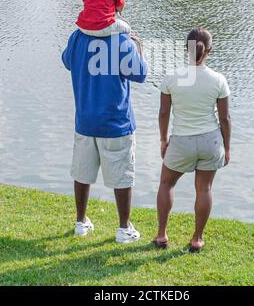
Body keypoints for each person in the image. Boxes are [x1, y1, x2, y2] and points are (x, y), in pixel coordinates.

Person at [62, 23, 147, 243]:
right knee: (122, 175)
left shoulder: (77, 37)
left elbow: (67, 61)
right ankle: (123, 228)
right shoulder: (121, 40)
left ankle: (81, 222)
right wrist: (136, 45)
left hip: (85, 120)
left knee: (82, 172)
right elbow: (140, 74)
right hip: (116, 123)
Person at [153, 27, 231, 253]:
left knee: (166, 184)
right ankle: (197, 239)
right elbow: (225, 119)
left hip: (181, 141)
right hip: (210, 142)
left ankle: (161, 236)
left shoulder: (171, 77)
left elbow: (163, 113)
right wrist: (227, 147)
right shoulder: (218, 79)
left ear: (185, 49)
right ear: (210, 50)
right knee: (204, 189)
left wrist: (163, 140)